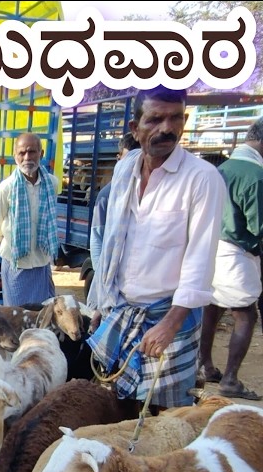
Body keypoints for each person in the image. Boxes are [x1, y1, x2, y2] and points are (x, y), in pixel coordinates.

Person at [87, 86, 227, 411]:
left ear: (184, 121)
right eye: (155, 119)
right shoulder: (125, 169)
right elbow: (114, 243)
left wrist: (171, 324)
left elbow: (201, 260)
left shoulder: (202, 178)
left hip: (168, 316)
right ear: (135, 129)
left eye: (175, 118)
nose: (167, 128)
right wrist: (102, 303)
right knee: (116, 405)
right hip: (123, 310)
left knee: (164, 416)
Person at [197, 115, 263, 400]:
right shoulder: (255, 176)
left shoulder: (223, 168)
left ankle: (205, 365)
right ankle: (231, 379)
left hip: (211, 248)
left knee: (212, 307)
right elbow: (258, 226)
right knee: (245, 313)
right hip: (236, 252)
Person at [0, 132, 62, 306]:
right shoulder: (5, 188)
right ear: (15, 156)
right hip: (16, 262)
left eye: (32, 152)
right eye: (22, 153)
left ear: (41, 153)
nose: (27, 158)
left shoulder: (52, 183)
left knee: (42, 314)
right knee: (16, 315)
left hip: (41, 262)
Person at [89, 132, 141, 275]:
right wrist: (101, 276)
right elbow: (97, 237)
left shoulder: (154, 192)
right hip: (114, 274)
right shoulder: (107, 195)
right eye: (129, 158)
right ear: (119, 159)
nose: (134, 164)